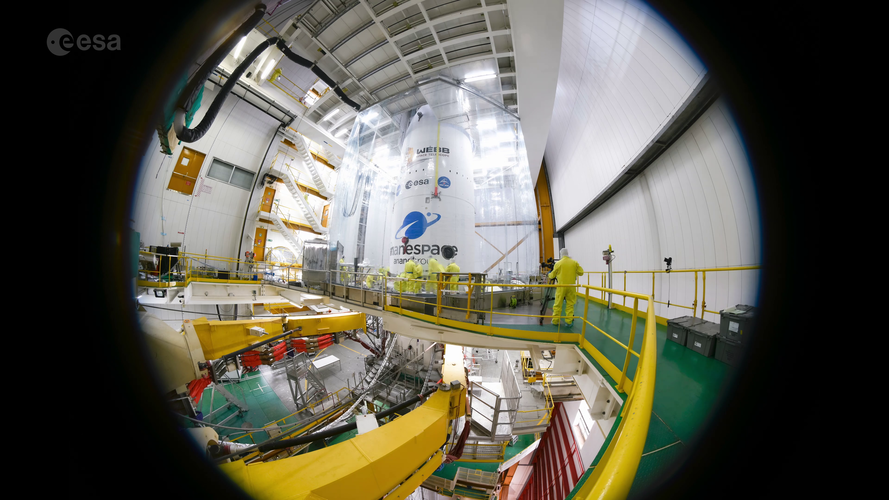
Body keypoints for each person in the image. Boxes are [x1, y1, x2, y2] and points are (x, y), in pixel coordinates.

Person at [548, 248, 584, 327]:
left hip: (561, 287)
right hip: (571, 287)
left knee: (558, 304)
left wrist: (549, 274)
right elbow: (581, 272)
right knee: (570, 304)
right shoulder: (574, 262)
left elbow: (552, 276)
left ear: (561, 254)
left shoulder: (558, 263)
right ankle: (569, 321)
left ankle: (555, 321)